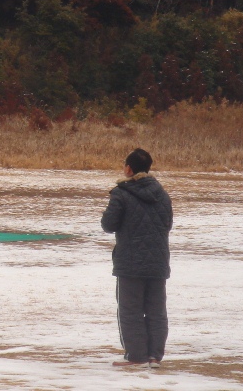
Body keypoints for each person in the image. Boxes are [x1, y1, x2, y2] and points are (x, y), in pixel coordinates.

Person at [101, 148, 173, 368]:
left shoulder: (121, 193)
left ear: (128, 169)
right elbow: (167, 224)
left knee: (130, 310)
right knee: (156, 311)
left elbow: (108, 224)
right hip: (158, 262)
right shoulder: (162, 194)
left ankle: (136, 356)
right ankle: (154, 356)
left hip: (130, 263)